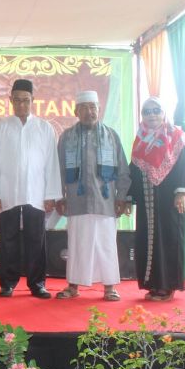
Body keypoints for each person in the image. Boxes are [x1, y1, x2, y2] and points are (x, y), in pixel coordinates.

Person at [55, 91, 131, 301]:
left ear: (99, 109)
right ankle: (73, 286)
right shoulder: (67, 137)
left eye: (93, 107)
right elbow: (59, 170)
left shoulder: (111, 136)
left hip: (105, 202)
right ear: (76, 111)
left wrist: (122, 197)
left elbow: (123, 170)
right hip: (76, 201)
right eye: (84, 108)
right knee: (77, 244)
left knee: (106, 245)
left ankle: (109, 287)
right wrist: (59, 196)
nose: (89, 112)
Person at [0, 79, 61, 298]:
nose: (21, 104)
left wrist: (51, 194)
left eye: (26, 100)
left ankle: (37, 283)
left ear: (32, 101)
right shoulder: (1, 128)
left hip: (36, 192)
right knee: (7, 238)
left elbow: (51, 163)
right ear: (11, 100)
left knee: (36, 239)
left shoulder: (44, 127)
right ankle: (7, 283)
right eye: (17, 100)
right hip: (8, 191)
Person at [128, 97, 185, 302]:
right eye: (147, 112)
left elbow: (184, 166)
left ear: (164, 113)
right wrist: (128, 197)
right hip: (147, 200)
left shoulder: (177, 136)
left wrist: (180, 192)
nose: (152, 115)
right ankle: (154, 283)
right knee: (148, 240)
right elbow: (134, 170)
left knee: (169, 238)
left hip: (169, 200)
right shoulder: (140, 139)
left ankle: (168, 285)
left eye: (156, 110)